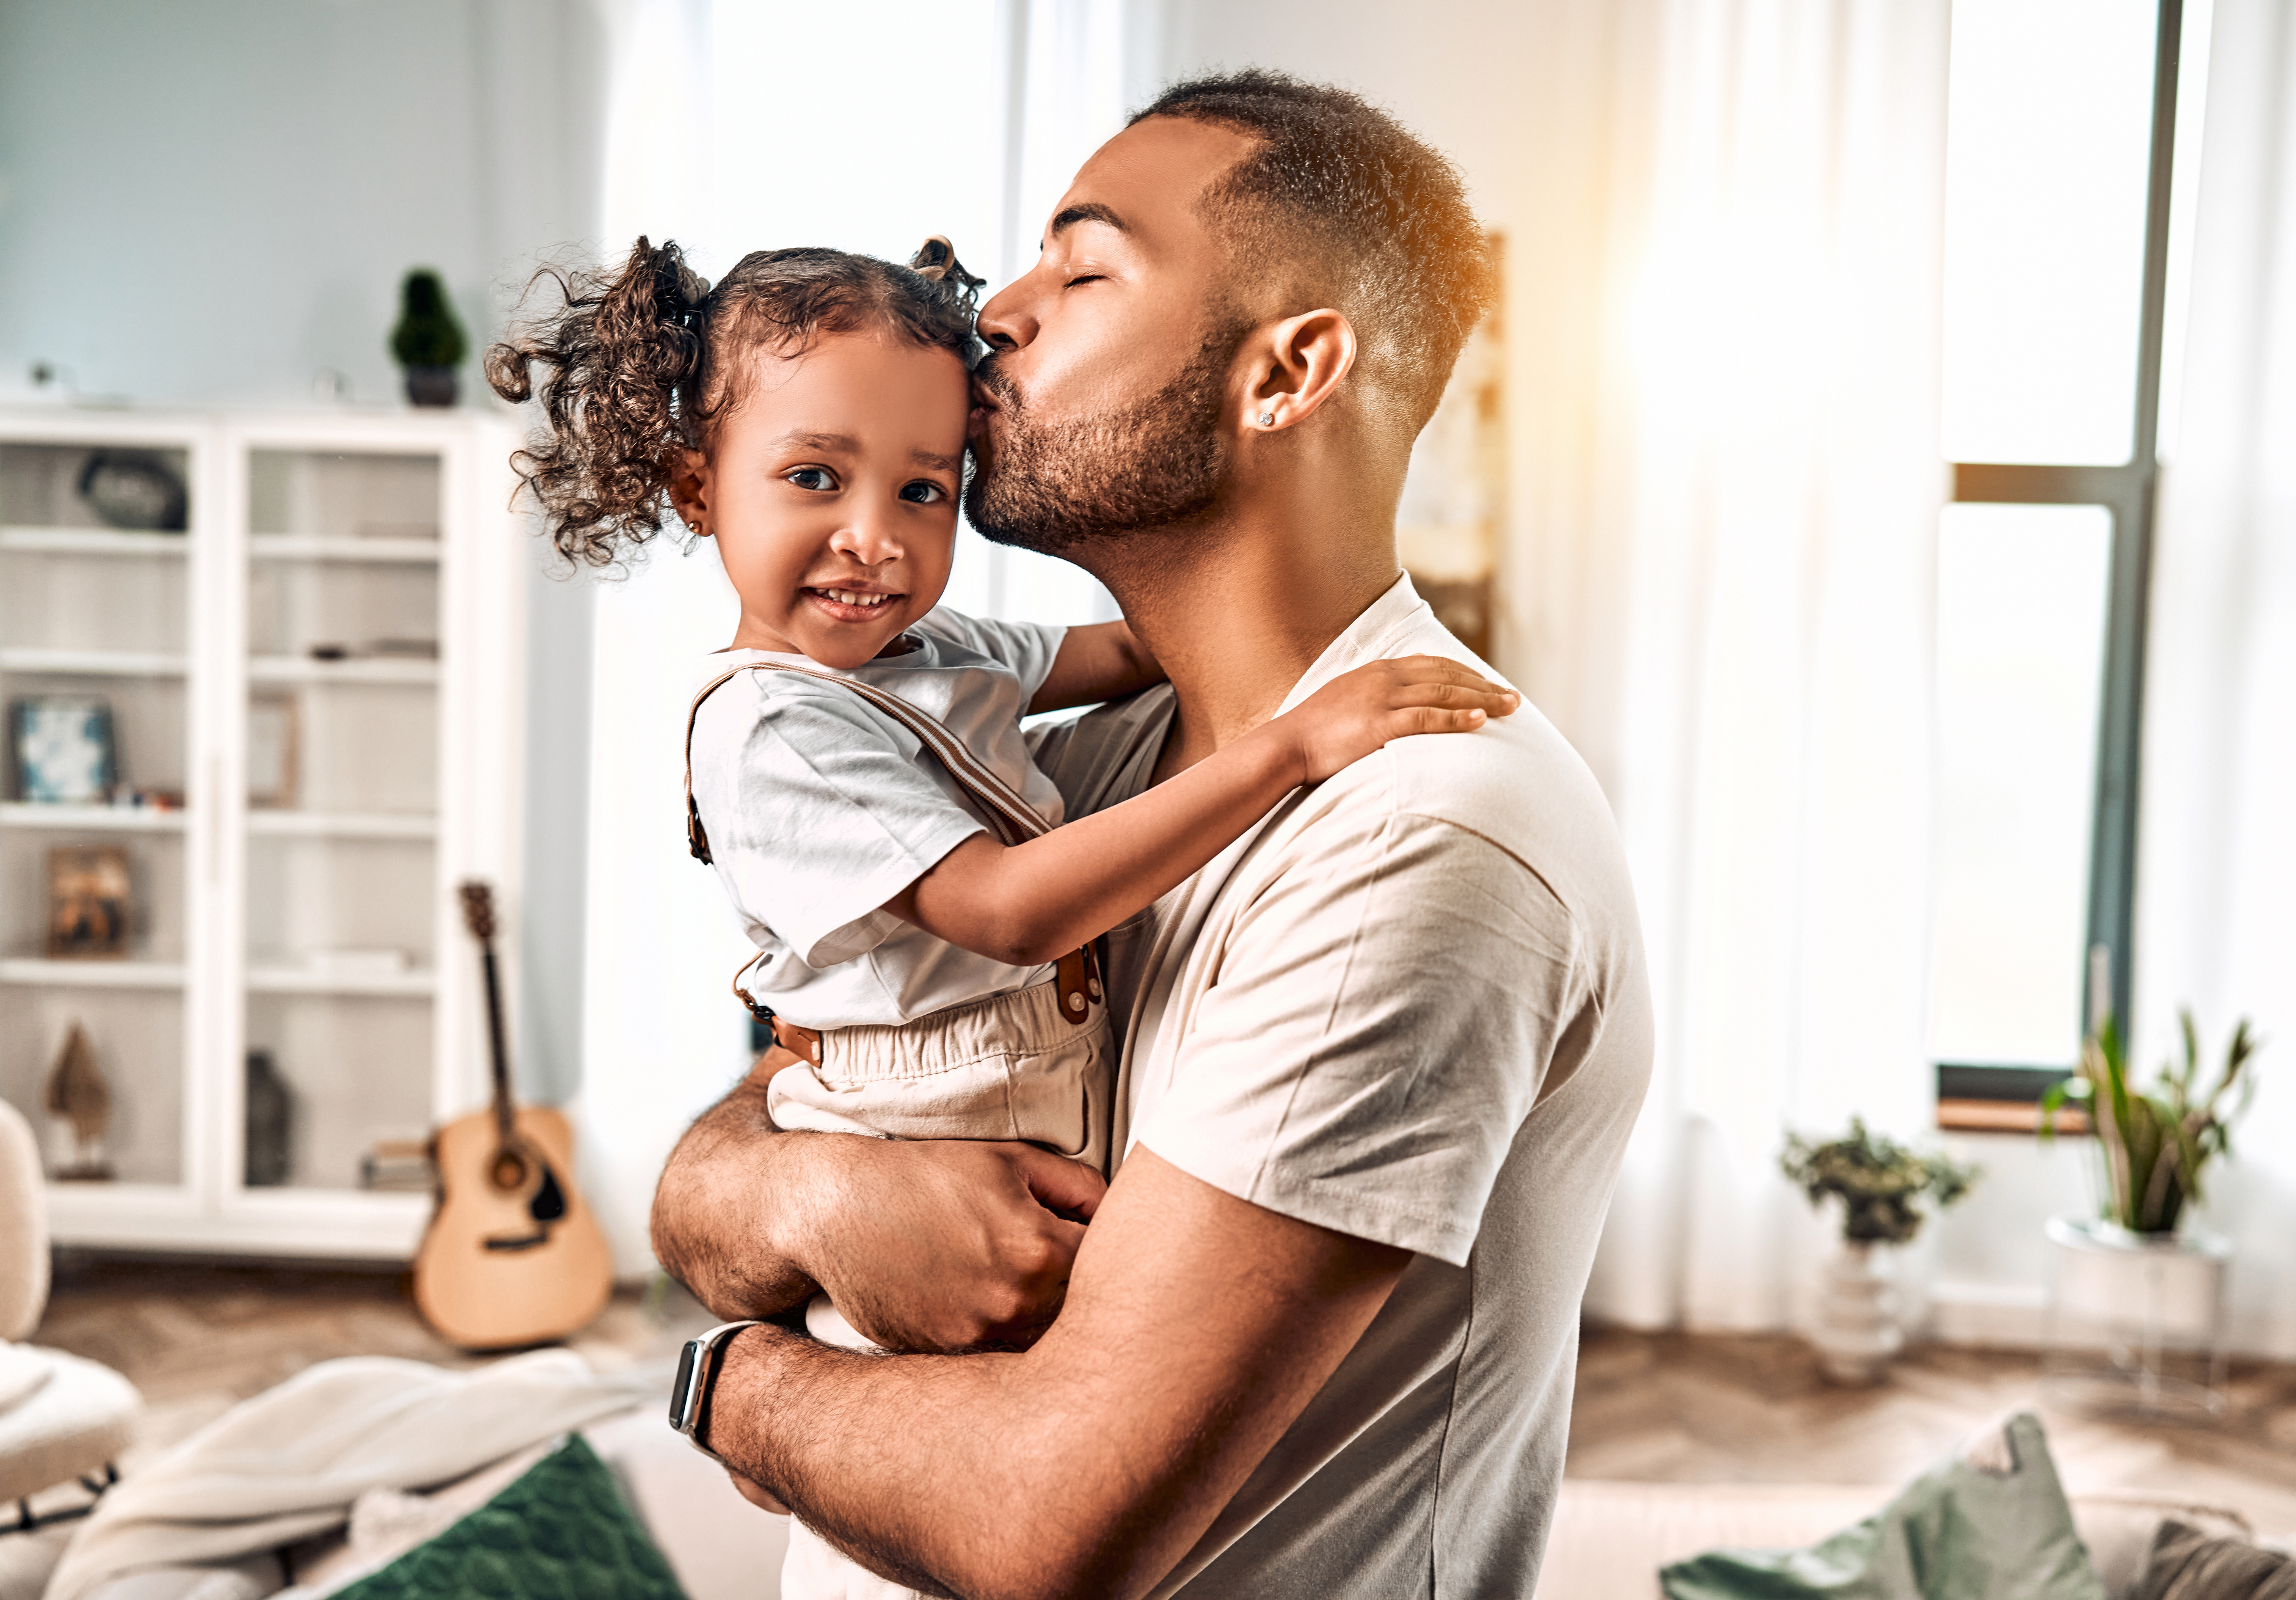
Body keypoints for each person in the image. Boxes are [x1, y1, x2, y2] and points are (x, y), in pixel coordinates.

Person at [651, 69, 1653, 1599]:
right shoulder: (1075, 762)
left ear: (1289, 370)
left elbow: (1039, 1520)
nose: (996, 310)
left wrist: (724, 1385)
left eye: (1085, 263)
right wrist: (824, 1195)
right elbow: (753, 1127)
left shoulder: (1422, 835)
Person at [484, 236, 1513, 1199]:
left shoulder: (940, 647)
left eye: (923, 490)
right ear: (696, 487)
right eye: (814, 478)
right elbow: (1010, 915)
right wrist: (1289, 747)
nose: (873, 538)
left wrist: (1291, 550)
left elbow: (1139, 647)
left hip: (1029, 1092)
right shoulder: (771, 725)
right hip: (919, 1124)